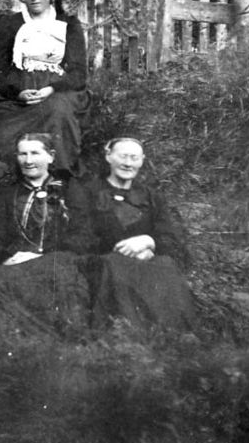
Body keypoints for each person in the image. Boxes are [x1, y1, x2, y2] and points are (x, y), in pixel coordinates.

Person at [70, 137, 197, 332]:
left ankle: (173, 333)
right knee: (115, 267)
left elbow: (170, 237)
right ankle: (125, 334)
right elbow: (80, 235)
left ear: (142, 161)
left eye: (134, 158)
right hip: (103, 263)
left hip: (145, 262)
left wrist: (148, 242)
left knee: (165, 265)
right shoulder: (87, 192)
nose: (128, 163)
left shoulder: (152, 197)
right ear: (108, 157)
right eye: (123, 157)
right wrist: (122, 249)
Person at [0, 132, 90, 336]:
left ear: (51, 156)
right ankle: (23, 338)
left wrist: (44, 254)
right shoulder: (6, 193)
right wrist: (8, 255)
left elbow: (82, 233)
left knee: (61, 274)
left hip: (57, 258)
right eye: (22, 154)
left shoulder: (70, 189)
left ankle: (66, 336)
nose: (28, 161)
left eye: (35, 153)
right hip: (15, 260)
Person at [0, 0, 89, 175]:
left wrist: (52, 89)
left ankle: (59, 175)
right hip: (18, 90)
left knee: (58, 111)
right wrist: (17, 92)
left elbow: (79, 73)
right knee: (5, 128)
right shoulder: (9, 24)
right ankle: (15, 177)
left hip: (58, 89)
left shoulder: (68, 24)